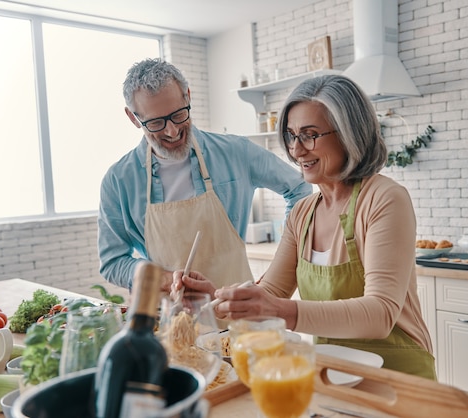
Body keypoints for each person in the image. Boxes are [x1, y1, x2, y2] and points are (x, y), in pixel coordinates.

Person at [180, 74, 437, 380]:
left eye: (309, 134)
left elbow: (380, 314)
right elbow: (270, 293)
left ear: (348, 134)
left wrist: (279, 310)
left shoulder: (384, 199)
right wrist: (216, 300)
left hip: (398, 377)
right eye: (290, 136)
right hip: (333, 374)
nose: (296, 150)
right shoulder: (302, 213)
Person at [97, 58, 312, 292]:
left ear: (187, 96)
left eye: (179, 114)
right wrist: (164, 278)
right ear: (133, 118)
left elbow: (299, 188)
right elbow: (113, 261)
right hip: (167, 320)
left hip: (237, 316)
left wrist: (282, 263)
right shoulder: (118, 181)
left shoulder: (236, 152)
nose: (172, 130)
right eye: (156, 123)